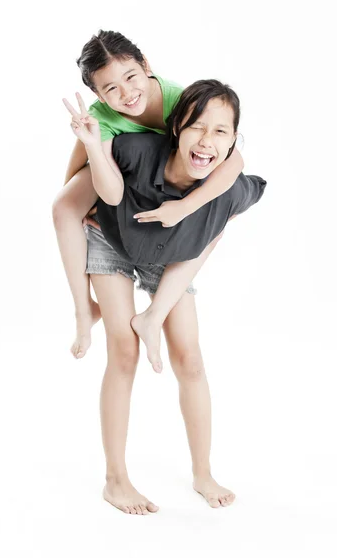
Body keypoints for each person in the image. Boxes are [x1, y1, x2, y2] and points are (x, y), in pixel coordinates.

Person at [63, 79, 266, 514]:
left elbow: (213, 234)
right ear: (176, 127)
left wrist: (159, 305)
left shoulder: (230, 187)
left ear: (233, 143)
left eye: (221, 133)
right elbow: (85, 190)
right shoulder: (133, 148)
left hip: (166, 255)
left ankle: (203, 472)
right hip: (110, 237)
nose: (206, 141)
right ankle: (115, 480)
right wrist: (93, 145)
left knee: (190, 359)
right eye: (196, 127)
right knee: (123, 351)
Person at [52, 30, 244, 360]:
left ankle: (155, 313)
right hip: (121, 170)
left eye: (131, 77)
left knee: (222, 211)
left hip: (171, 175)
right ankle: (84, 310)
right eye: (111, 89)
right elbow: (93, 177)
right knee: (64, 205)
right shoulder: (101, 116)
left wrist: (185, 207)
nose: (127, 94)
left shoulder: (178, 99)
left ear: (146, 65)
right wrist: (85, 172)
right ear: (97, 94)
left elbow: (235, 159)